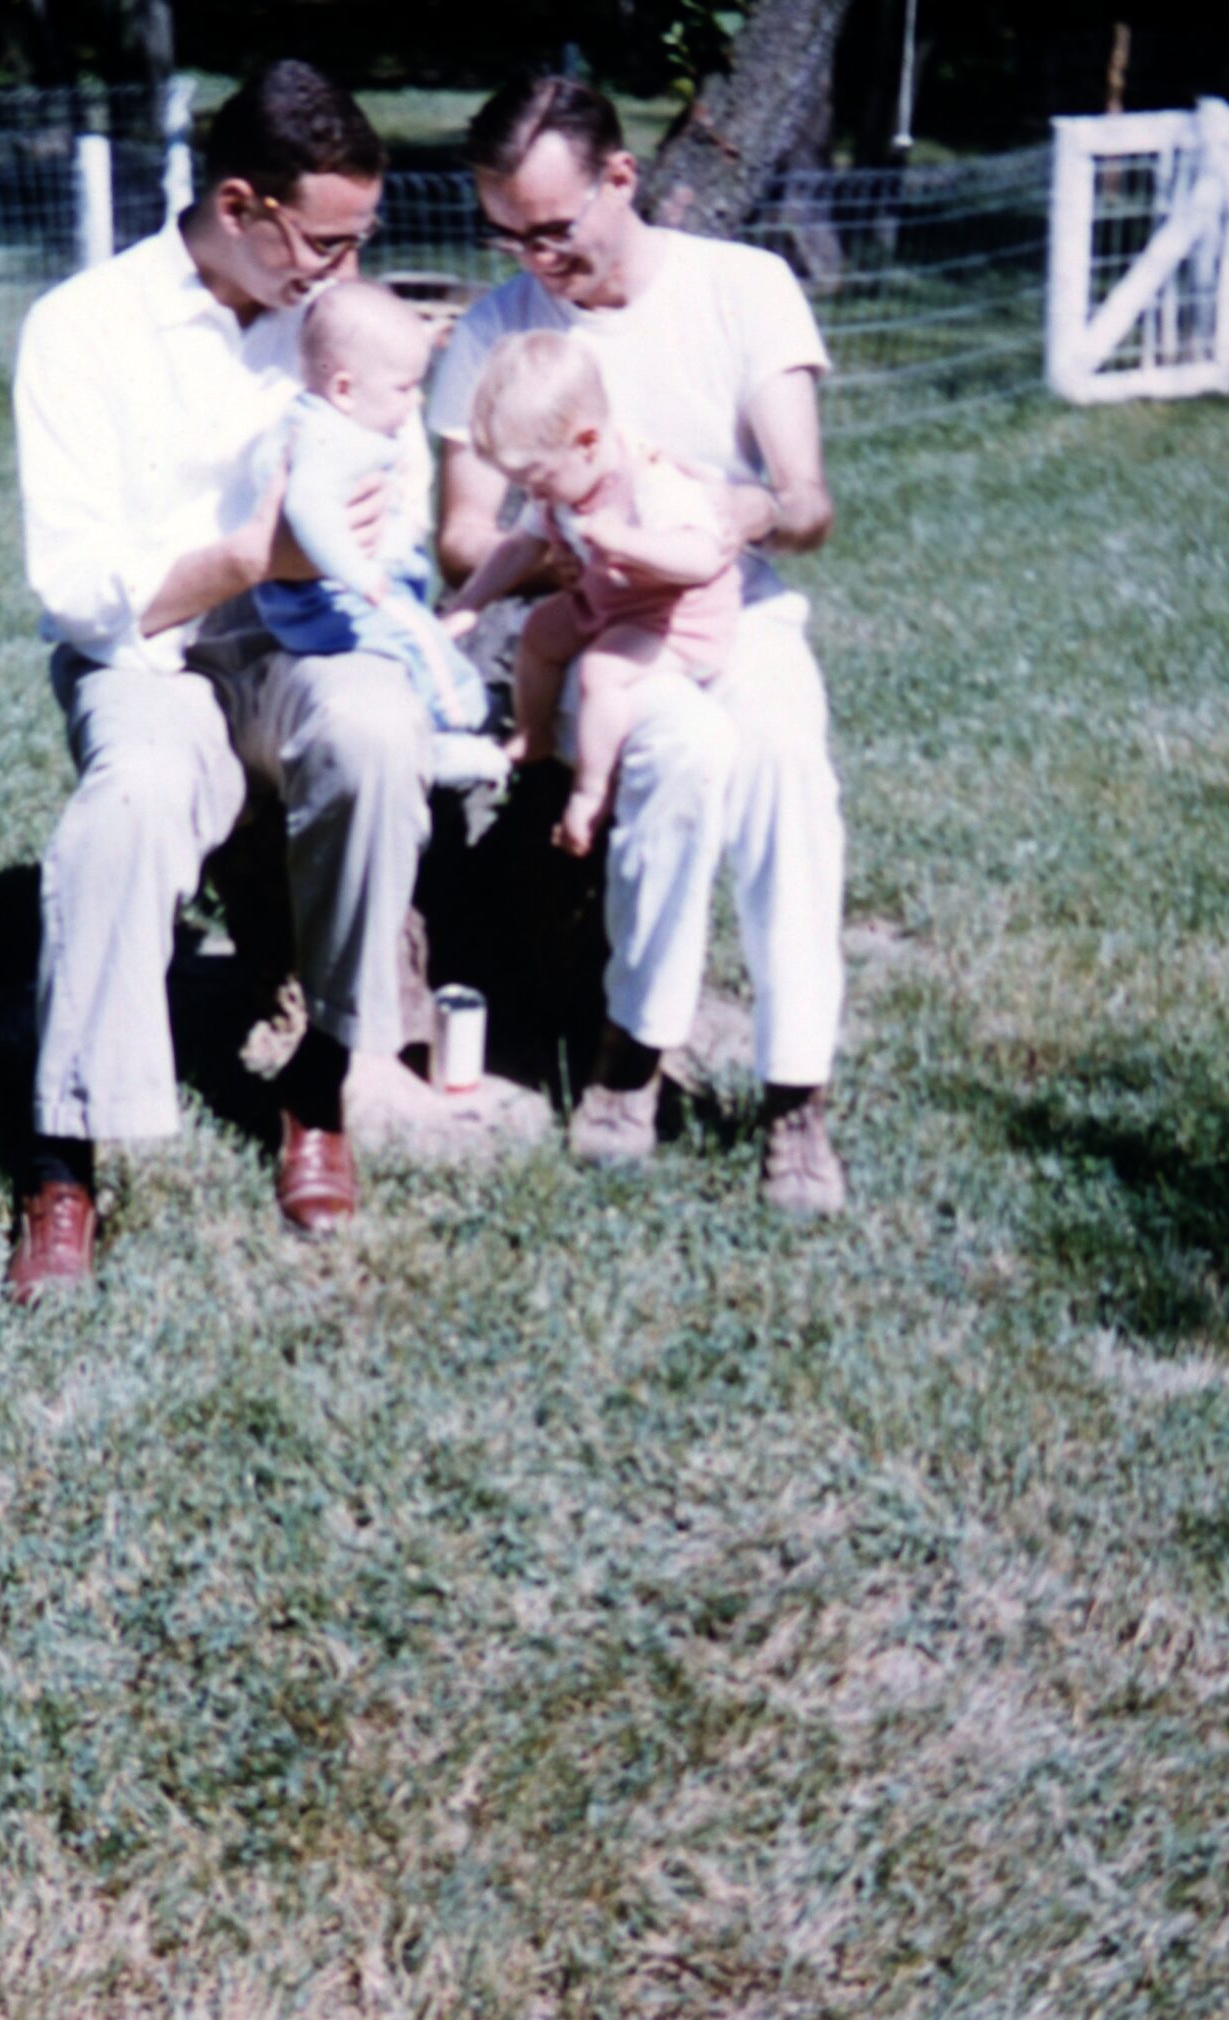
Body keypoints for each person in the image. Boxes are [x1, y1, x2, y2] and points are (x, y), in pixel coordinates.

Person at [7, 61, 432, 1304]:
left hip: (304, 638)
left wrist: (326, 560)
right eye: (326, 241)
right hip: (154, 647)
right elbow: (78, 588)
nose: (344, 268)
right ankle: (64, 1153)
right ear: (240, 205)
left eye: (360, 240)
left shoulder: (334, 319)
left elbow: (395, 501)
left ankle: (321, 1079)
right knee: (134, 797)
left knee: (378, 731)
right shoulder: (85, 326)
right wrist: (249, 557)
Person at [428, 71, 848, 1214]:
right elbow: (463, 533)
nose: (533, 260)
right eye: (507, 235)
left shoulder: (742, 287)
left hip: (731, 604)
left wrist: (751, 510)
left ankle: (796, 1092)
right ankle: (632, 1055)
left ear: (621, 178)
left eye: (553, 230)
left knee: (784, 765)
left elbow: (808, 502)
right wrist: (555, 556)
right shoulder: (498, 327)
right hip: (603, 628)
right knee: (678, 755)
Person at [441, 330, 741, 857]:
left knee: (602, 671)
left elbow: (702, 558)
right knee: (540, 632)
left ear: (586, 443)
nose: (530, 493)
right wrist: (469, 604)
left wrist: (625, 541)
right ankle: (533, 732)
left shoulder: (651, 480)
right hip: (609, 602)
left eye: (535, 478)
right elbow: (518, 549)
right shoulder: (561, 484)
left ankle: (589, 793)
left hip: (678, 619)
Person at [252, 279, 507, 785]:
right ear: (344, 389)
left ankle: (438, 723)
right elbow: (307, 508)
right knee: (418, 637)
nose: (416, 402)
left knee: (410, 643)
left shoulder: (319, 419)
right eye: (404, 388)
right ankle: (459, 723)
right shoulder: (326, 439)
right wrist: (359, 573)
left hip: (333, 593)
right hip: (332, 596)